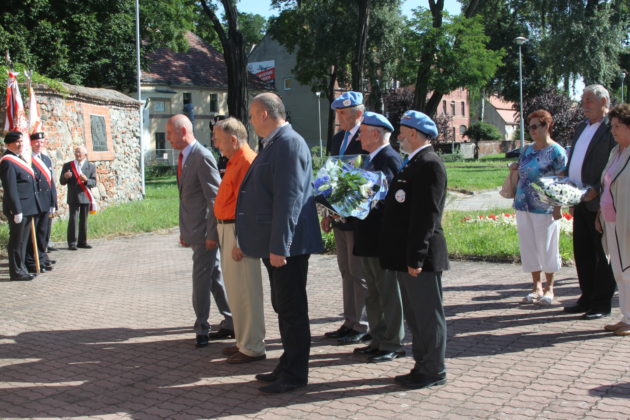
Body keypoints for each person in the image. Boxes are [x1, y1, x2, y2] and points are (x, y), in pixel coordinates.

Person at [236, 93, 323, 394]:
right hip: (277, 243)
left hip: (289, 246)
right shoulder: (275, 143)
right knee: (283, 307)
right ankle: (287, 364)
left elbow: (290, 200)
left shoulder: (288, 143)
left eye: (252, 114)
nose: (249, 120)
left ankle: (296, 374)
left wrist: (280, 246)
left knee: (292, 309)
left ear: (264, 114)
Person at [381, 110, 449, 390]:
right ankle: (422, 365)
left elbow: (426, 217)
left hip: (420, 257)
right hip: (406, 254)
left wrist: (416, 257)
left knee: (428, 316)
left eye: (401, 132)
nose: (398, 137)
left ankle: (434, 370)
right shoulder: (413, 163)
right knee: (415, 316)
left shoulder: (429, 164)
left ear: (412, 133)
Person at [166, 114, 234, 348]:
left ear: (183, 132)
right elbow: (188, 199)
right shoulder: (185, 156)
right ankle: (232, 320)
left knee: (201, 279)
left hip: (206, 233)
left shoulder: (202, 156)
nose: (168, 138)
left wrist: (212, 235)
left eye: (170, 133)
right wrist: (185, 231)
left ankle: (202, 328)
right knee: (213, 276)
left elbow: (215, 199)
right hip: (195, 231)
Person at [350, 112, 405, 363]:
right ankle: (377, 338)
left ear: (375, 133)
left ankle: (393, 342)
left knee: (388, 292)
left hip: (382, 237)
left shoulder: (389, 159)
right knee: (373, 292)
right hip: (368, 235)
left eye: (362, 132)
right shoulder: (370, 159)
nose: (358, 136)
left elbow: (391, 201)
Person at [212, 117, 266, 363]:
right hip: (229, 229)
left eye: (218, 140)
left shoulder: (246, 161)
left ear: (233, 140)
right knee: (237, 291)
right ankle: (243, 341)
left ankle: (252, 347)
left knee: (246, 291)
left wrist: (241, 241)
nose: (216, 144)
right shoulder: (236, 160)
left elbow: (250, 206)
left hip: (237, 231)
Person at [321, 91, 370, 345]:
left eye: (342, 113)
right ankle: (349, 321)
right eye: (337, 113)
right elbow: (332, 176)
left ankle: (362, 324)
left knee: (358, 272)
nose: (338, 118)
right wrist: (327, 212)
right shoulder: (338, 138)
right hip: (339, 216)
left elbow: (368, 178)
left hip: (357, 218)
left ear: (358, 113)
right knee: (345, 271)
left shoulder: (367, 136)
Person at [563, 85, 616, 320]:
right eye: (582, 100)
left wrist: (597, 188)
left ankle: (601, 304)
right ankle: (586, 297)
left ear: (603, 101)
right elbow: (574, 159)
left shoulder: (612, 128)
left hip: (599, 201)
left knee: (601, 255)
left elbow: (613, 165)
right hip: (579, 199)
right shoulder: (581, 127)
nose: (583, 104)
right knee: (582, 252)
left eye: (588, 100)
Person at [510, 110, 567, 305]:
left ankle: (550, 288)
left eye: (535, 126)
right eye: (529, 127)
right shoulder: (526, 150)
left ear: (546, 126)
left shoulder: (557, 152)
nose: (532, 130)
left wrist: (558, 206)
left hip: (545, 206)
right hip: (523, 204)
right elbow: (521, 172)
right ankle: (536, 286)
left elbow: (561, 181)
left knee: (547, 246)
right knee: (529, 246)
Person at [597, 104, 630, 336]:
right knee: (619, 271)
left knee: (629, 269)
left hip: (627, 221)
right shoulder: (615, 152)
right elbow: (607, 185)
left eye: (618, 126)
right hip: (612, 220)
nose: (613, 130)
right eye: (612, 126)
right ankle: (626, 316)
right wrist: (600, 214)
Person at [1, 131, 40, 281]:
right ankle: (16, 271)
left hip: (27, 207)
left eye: (21, 141)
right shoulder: (8, 161)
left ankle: (22, 269)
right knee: (17, 241)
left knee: (23, 241)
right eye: (17, 142)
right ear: (8, 144)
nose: (20, 144)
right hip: (19, 208)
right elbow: (11, 188)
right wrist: (16, 210)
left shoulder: (19, 158)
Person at [26, 132, 57, 274]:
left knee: (44, 232)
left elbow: (51, 183)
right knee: (33, 233)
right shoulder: (27, 160)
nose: (39, 144)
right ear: (31, 143)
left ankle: (42, 257)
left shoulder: (46, 159)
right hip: (35, 202)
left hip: (46, 201)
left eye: (42, 142)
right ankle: (32, 261)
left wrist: (53, 202)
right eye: (36, 142)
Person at [59, 145, 97, 250]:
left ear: (85, 154)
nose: (77, 154)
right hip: (73, 196)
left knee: (84, 220)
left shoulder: (91, 166)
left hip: (85, 196)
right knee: (73, 220)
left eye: (79, 152)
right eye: (76, 152)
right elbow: (62, 182)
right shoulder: (68, 165)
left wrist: (86, 180)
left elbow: (94, 182)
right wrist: (65, 177)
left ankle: (82, 242)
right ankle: (72, 243)